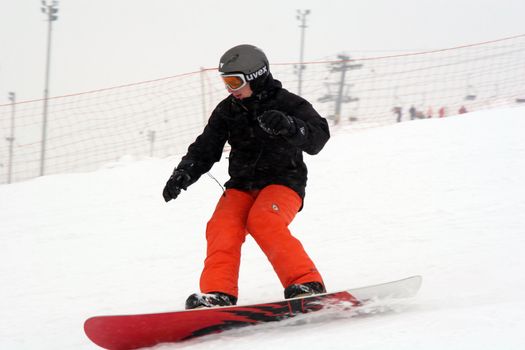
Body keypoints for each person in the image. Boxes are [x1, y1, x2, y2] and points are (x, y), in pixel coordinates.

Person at [162, 44, 330, 309]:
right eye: (225, 82)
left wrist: (289, 126)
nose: (230, 89)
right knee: (221, 226)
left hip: (284, 181)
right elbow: (206, 147)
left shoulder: (287, 103)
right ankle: (219, 294)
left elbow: (318, 138)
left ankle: (306, 283)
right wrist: (185, 172)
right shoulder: (228, 110)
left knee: (263, 221)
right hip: (241, 185)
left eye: (234, 81)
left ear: (256, 76)